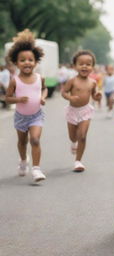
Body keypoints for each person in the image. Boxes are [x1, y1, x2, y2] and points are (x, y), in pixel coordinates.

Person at [5, 29, 48, 182]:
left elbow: (44, 88)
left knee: (35, 140)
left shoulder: (39, 78)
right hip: (21, 116)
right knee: (22, 142)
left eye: (30, 60)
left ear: (36, 62)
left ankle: (36, 169)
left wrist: (42, 97)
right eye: (22, 60)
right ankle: (23, 161)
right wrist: (17, 100)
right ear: (16, 63)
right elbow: (7, 98)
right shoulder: (14, 81)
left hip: (36, 115)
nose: (27, 63)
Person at [62, 50, 101, 172]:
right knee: (73, 136)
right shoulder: (72, 81)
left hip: (85, 111)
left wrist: (97, 96)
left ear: (92, 67)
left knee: (82, 136)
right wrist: (70, 97)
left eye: (88, 64)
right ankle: (73, 143)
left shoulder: (93, 82)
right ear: (75, 66)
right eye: (81, 63)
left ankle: (78, 161)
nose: (85, 66)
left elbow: (94, 95)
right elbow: (63, 92)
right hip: (72, 111)